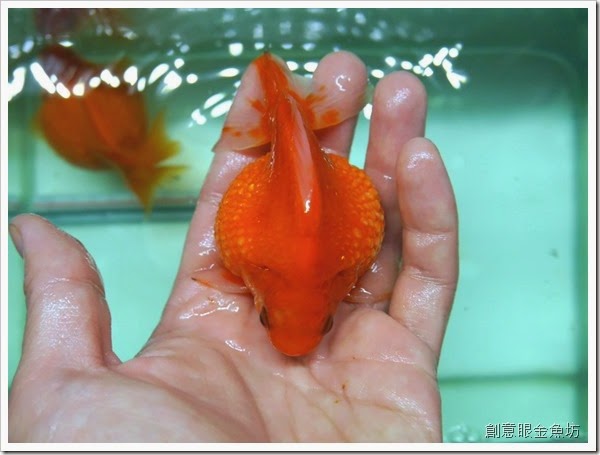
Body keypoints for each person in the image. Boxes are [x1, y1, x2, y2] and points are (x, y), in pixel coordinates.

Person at [8, 51, 458, 443]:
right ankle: (288, 109)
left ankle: (289, 109)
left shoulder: (323, 272)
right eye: (266, 316)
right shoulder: (336, 276)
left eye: (324, 323)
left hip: (317, 187)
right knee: (292, 128)